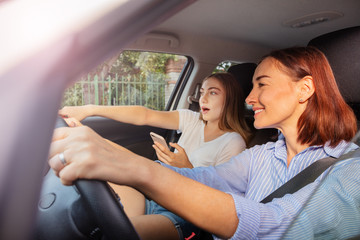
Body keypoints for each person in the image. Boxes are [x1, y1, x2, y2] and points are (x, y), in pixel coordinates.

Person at [49, 46, 358, 239]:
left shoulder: (351, 170)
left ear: (304, 89)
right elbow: (203, 178)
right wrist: (104, 151)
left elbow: (276, 225)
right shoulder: (264, 155)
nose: (250, 99)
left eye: (261, 84)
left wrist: (140, 170)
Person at [59, 72, 251, 168]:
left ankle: (85, 139)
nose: (203, 99)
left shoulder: (233, 143)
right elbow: (145, 115)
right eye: (202, 93)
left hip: (179, 208)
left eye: (213, 93)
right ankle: (84, 136)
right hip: (159, 180)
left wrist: (187, 168)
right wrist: (90, 109)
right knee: (107, 154)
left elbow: (221, 201)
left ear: (230, 99)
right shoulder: (192, 120)